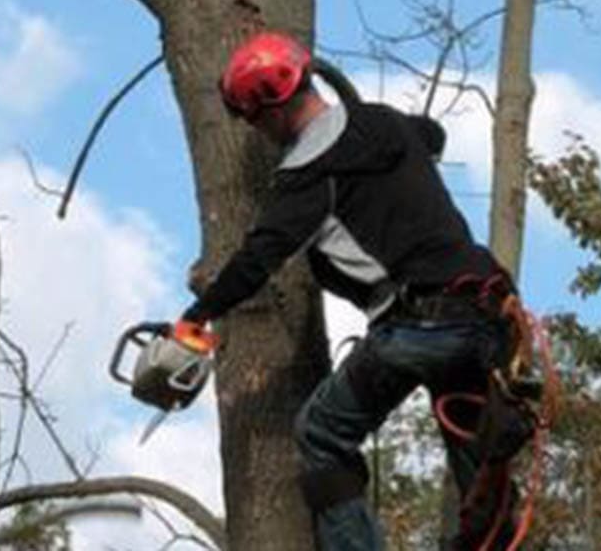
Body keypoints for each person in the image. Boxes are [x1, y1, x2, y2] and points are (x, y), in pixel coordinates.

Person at [180, 31, 523, 550]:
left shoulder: (308, 177)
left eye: (252, 119)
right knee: (473, 458)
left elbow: (259, 258)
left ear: (266, 111)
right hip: (490, 314)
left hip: (419, 323)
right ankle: (492, 528)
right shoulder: (386, 123)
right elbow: (430, 135)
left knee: (321, 435)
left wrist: (199, 314)